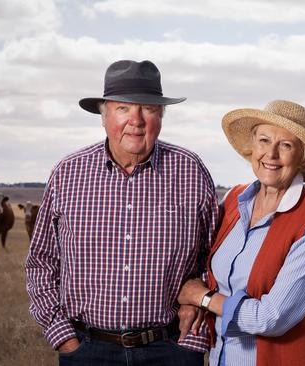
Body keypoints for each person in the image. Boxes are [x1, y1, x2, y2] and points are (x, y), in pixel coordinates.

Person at [25, 60, 218, 365]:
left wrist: (195, 326)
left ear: (161, 117)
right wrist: (63, 337)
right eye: (123, 108)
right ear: (104, 116)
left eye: (149, 109)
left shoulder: (190, 170)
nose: (136, 120)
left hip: (171, 347)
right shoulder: (68, 173)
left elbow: (213, 256)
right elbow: (42, 261)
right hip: (88, 349)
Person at [178, 100, 305, 365]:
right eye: (264, 140)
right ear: (252, 145)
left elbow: (270, 317)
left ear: (302, 158)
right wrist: (190, 301)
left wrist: (201, 297)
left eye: (286, 145)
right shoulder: (233, 199)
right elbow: (202, 261)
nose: (271, 154)